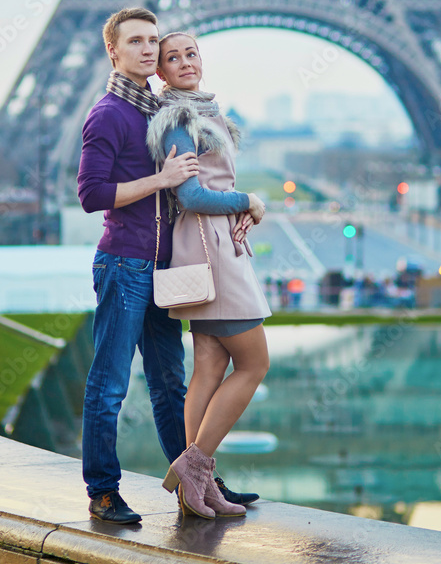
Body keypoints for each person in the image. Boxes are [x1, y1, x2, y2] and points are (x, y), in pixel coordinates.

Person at [77, 7, 255, 525]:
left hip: (162, 268)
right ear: (114, 51)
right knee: (109, 385)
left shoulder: (158, 110)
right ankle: (103, 490)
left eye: (154, 40)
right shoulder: (109, 113)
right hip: (124, 265)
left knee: (170, 386)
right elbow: (91, 194)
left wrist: (239, 206)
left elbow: (196, 191)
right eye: (136, 41)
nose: (149, 49)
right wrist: (163, 179)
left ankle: (195, 481)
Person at [146, 31, 271, 519]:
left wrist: (241, 207)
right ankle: (194, 466)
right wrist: (248, 202)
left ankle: (195, 488)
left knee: (209, 369)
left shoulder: (198, 113)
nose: (183, 62)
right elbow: (193, 195)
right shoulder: (178, 118)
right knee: (255, 364)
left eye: (190, 53)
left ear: (202, 58)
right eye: (171, 57)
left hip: (210, 244)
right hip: (212, 250)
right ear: (160, 71)